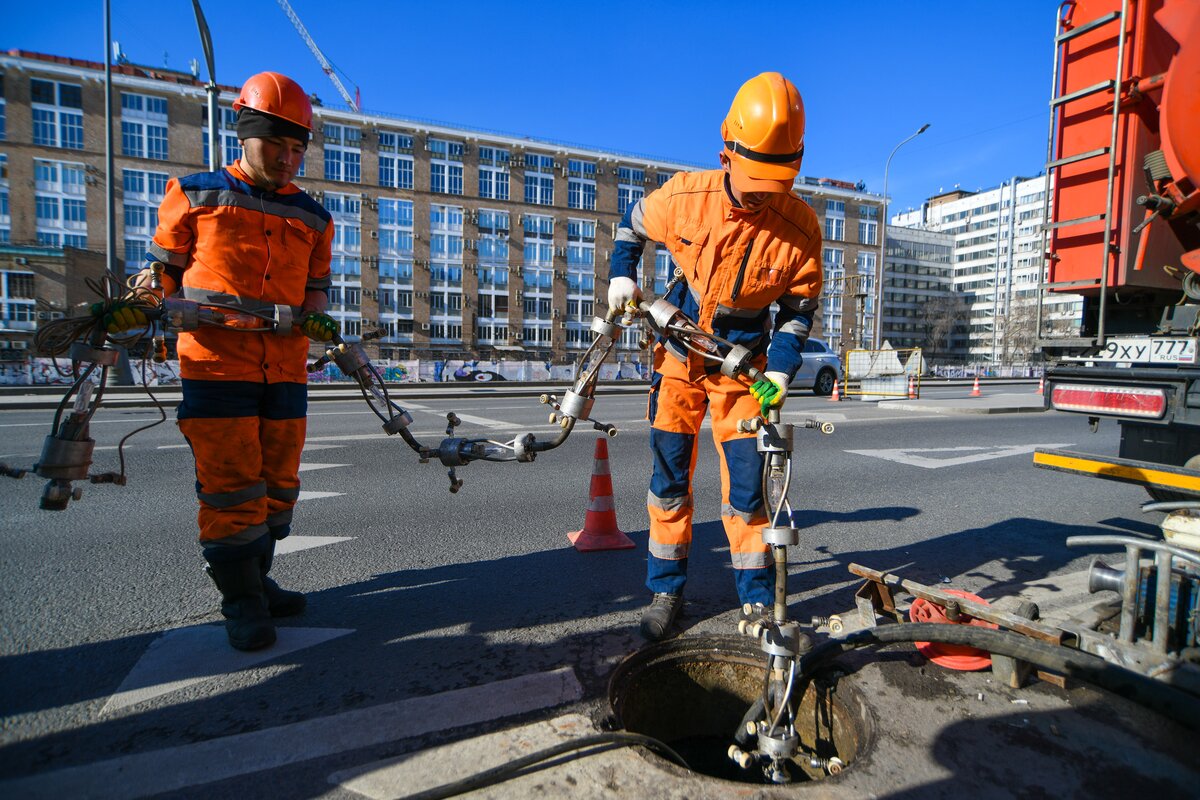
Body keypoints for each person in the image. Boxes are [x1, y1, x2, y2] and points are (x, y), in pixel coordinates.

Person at [103, 72, 338, 651]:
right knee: (232, 485)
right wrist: (139, 306)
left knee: (279, 485)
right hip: (214, 366)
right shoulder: (195, 194)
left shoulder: (314, 217)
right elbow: (158, 277)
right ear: (244, 136)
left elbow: (315, 290)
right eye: (276, 146)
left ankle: (258, 578)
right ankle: (243, 602)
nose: (287, 159)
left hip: (284, 369)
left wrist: (318, 318)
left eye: (296, 149)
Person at [607, 72, 823, 641]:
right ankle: (666, 592)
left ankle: (756, 602)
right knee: (669, 481)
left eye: (774, 183)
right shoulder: (684, 198)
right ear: (726, 150)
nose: (762, 195)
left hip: (744, 365)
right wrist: (621, 279)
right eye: (754, 181)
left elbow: (799, 308)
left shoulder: (799, 227)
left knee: (749, 492)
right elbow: (630, 228)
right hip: (679, 353)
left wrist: (780, 365)